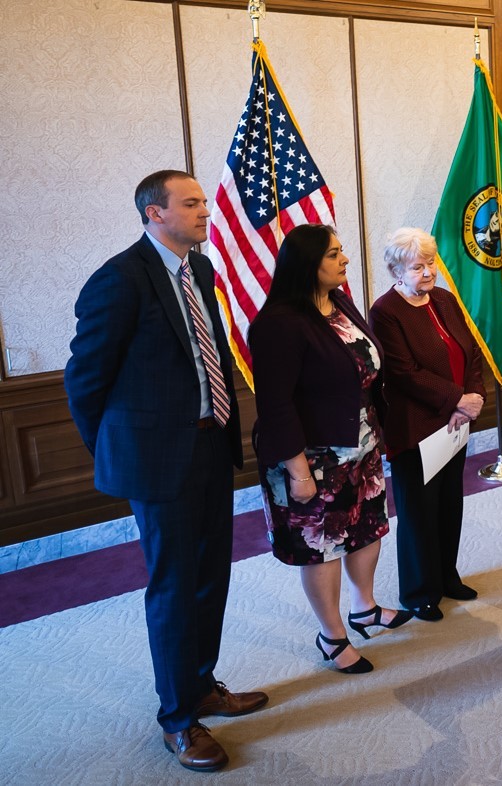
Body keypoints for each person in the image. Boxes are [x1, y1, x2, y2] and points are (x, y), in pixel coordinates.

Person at [65, 170, 267, 773]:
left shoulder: (200, 270)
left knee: (211, 575)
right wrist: (114, 450)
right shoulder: (120, 279)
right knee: (175, 586)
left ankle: (202, 684)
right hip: (158, 461)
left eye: (205, 201)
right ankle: (178, 720)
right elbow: (85, 380)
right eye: (192, 203)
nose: (206, 211)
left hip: (209, 448)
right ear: (154, 214)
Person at [249, 223, 412, 676]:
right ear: (307, 265)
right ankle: (332, 635)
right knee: (322, 548)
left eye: (342, 251)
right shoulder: (279, 324)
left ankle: (365, 608)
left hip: (360, 445)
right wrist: (298, 471)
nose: (345, 260)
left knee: (367, 530)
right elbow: (276, 404)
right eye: (334, 254)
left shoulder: (338, 302)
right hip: (312, 457)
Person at [368, 228, 486, 622]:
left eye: (430, 263)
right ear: (395, 270)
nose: (427, 272)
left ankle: (447, 577)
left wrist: (470, 400)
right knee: (419, 511)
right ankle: (419, 592)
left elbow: (470, 352)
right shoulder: (385, 311)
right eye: (417, 267)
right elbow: (404, 373)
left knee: (450, 502)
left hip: (454, 421)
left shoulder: (445, 300)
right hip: (416, 426)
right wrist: (457, 400)